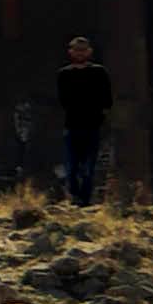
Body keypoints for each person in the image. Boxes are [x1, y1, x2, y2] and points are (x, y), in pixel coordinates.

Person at [57, 33, 115, 208]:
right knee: (72, 167)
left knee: (89, 167)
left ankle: (85, 201)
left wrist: (100, 113)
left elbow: (107, 98)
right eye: (77, 50)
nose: (80, 53)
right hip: (72, 123)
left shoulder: (99, 72)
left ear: (89, 52)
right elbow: (63, 99)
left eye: (83, 50)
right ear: (71, 52)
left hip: (93, 124)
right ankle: (75, 197)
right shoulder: (64, 74)